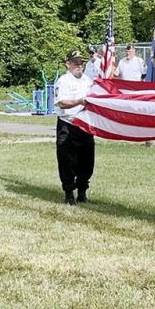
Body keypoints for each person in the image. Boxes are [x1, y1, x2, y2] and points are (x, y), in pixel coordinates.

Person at [55, 50, 95, 205]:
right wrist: (79, 101)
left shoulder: (87, 80)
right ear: (68, 63)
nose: (80, 66)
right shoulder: (63, 81)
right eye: (76, 62)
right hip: (68, 124)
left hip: (85, 125)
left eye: (81, 63)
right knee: (67, 161)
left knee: (87, 161)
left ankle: (82, 192)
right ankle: (69, 193)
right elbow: (61, 102)